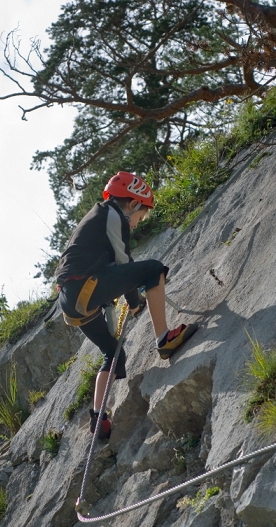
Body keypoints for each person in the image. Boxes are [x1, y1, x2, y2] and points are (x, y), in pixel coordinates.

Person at [56, 171, 197, 439]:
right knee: (154, 269)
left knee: (113, 353)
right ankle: (164, 339)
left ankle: (99, 418)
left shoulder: (95, 218)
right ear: (132, 204)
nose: (136, 224)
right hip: (84, 289)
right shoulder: (112, 214)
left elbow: (108, 266)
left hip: (71, 300)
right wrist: (135, 303)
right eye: (140, 217)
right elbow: (124, 263)